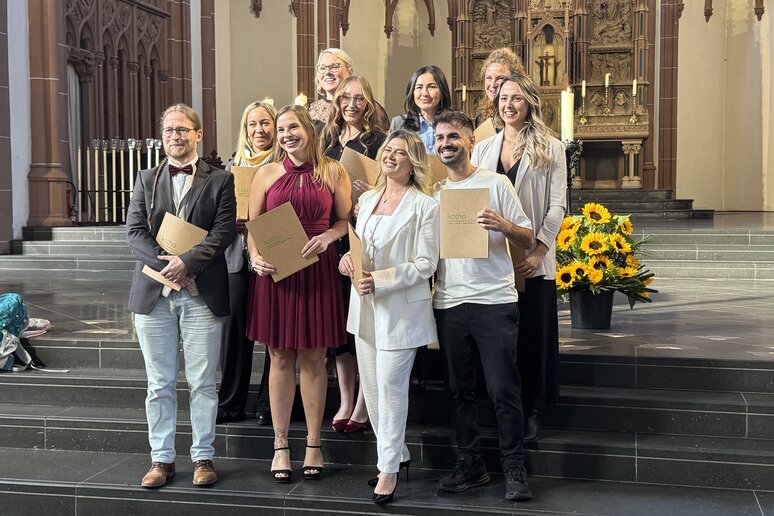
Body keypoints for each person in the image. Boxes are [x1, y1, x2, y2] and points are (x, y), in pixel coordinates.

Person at [126, 103, 236, 488]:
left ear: (198, 134)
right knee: (159, 383)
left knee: (203, 381)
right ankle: (162, 459)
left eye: (183, 129)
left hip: (200, 292)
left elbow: (223, 233)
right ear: (163, 137)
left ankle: (203, 456)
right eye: (170, 130)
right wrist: (166, 266)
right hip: (154, 293)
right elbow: (134, 232)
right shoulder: (145, 178)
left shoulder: (221, 179)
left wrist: (186, 264)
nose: (176, 135)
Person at [431, 111, 535, 501]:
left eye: (453, 137)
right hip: (450, 301)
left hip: (493, 300)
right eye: (440, 138)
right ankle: (471, 463)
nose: (446, 144)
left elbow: (527, 237)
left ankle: (513, 466)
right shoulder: (433, 194)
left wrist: (503, 225)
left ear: (470, 141)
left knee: (503, 388)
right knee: (459, 390)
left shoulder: (496, 184)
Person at [245, 105, 352, 483]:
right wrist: (255, 257)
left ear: (308, 129)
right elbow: (252, 225)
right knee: (278, 356)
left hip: (317, 269)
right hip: (277, 274)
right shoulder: (266, 173)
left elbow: (344, 220)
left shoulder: (333, 171)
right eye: (281, 129)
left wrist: (329, 236)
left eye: (293, 127)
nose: (287, 134)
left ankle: (313, 444)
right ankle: (279, 446)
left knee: (313, 357)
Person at [339, 130, 439, 505]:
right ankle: (396, 454)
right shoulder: (366, 199)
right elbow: (358, 247)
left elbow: (427, 264)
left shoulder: (425, 206)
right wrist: (346, 260)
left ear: (413, 161)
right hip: (363, 308)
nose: (390, 157)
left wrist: (379, 280)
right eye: (387, 151)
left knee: (390, 388)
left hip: (400, 310)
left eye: (399, 152)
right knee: (375, 391)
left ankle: (388, 470)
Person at [471, 73, 566, 442]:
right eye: (503, 98)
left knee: (531, 336)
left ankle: (532, 409)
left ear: (529, 103)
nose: (508, 105)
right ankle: (499, 406)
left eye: (517, 98)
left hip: (532, 257)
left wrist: (540, 250)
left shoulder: (550, 147)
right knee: (498, 338)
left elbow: (557, 206)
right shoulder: (483, 148)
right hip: (493, 256)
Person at [321, 76, 387, 433]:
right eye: (345, 97)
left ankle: (363, 402)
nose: (350, 103)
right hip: (332, 234)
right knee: (338, 328)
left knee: (361, 321)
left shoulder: (378, 141)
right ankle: (346, 399)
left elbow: (395, 185)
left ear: (369, 102)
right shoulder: (326, 141)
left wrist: (371, 190)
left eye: (359, 97)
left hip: (365, 232)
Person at [217, 100, 277, 426]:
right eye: (253, 124)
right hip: (236, 259)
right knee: (234, 333)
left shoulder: (284, 165)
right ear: (245, 130)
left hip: (271, 255)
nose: (259, 130)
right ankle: (230, 403)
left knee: (272, 332)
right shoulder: (230, 168)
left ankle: (269, 403)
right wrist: (233, 222)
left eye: (265, 123)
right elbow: (217, 217)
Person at [308, 48, 389, 132]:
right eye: (322, 68)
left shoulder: (369, 107)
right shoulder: (309, 110)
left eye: (335, 67)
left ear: (349, 72)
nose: (327, 72)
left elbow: (383, 141)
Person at [389, 65, 452, 155]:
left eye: (431, 87)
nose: (425, 93)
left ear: (442, 91)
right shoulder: (399, 124)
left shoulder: (454, 123)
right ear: (412, 92)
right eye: (419, 87)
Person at [474, 47, 524, 129]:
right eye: (489, 78)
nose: (493, 84)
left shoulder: (518, 114)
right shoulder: (482, 117)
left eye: (500, 78)